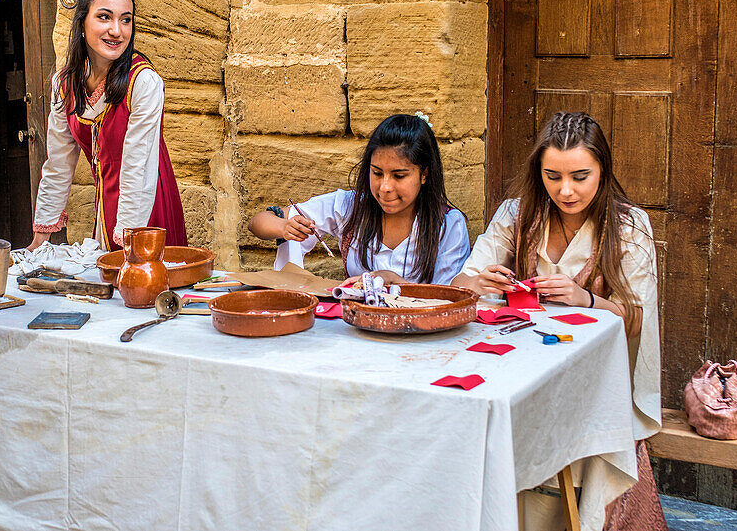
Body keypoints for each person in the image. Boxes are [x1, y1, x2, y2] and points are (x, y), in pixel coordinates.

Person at [451, 112, 663, 530]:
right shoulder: (517, 214)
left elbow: (636, 318)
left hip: (593, 380)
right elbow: (461, 281)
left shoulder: (628, 225)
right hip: (521, 370)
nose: (566, 190)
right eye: (553, 176)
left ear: (602, 169)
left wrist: (586, 298)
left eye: (580, 176)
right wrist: (478, 281)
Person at [28, 0, 186, 252]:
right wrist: (40, 240)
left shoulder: (143, 82)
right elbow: (58, 165)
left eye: (126, 20)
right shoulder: (64, 85)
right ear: (82, 23)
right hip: (106, 209)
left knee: (146, 285)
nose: (117, 30)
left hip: (146, 210)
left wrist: (130, 244)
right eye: (104, 17)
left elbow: (138, 170)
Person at [249, 113, 470, 284]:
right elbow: (258, 222)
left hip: (420, 339)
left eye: (399, 176)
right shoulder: (350, 207)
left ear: (424, 174)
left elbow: (450, 299)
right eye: (377, 173)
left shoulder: (447, 224)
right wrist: (283, 227)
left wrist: (396, 283)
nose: (385, 187)